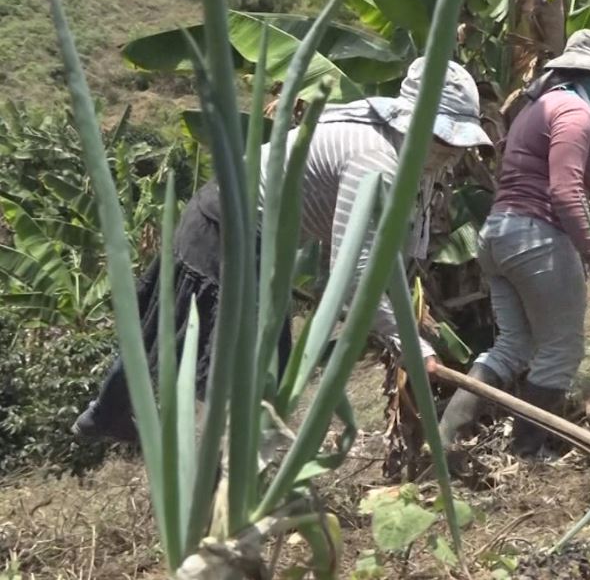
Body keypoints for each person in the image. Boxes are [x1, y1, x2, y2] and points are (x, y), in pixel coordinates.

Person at [73, 57, 493, 443]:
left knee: (177, 326)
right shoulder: (375, 159)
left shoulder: (407, 152)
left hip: (235, 219)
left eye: (458, 141)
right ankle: (223, 478)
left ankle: (109, 415)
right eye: (442, 137)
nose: (452, 151)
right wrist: (408, 342)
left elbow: (383, 251)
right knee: (257, 368)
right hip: (228, 227)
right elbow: (355, 270)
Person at [437, 30, 590, 457]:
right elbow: (563, 193)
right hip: (536, 238)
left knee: (512, 346)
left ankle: (444, 441)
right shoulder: (575, 113)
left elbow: (540, 173)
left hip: (497, 236)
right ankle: (527, 452)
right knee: (562, 349)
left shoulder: (536, 107)